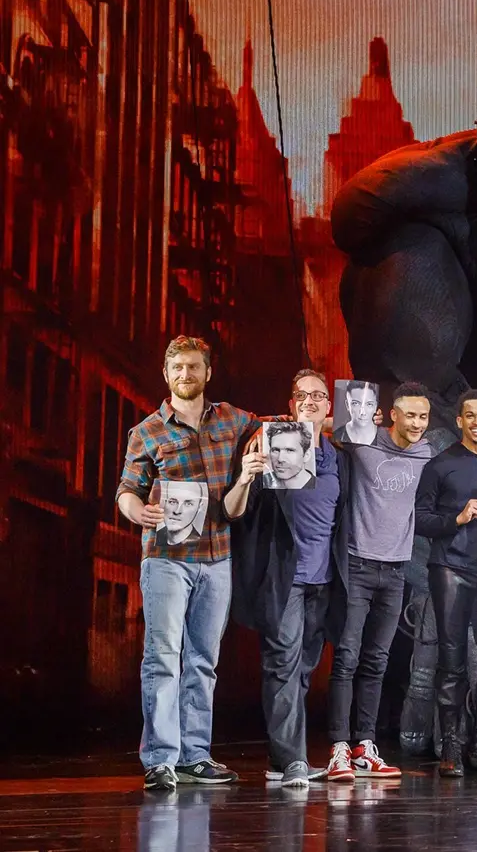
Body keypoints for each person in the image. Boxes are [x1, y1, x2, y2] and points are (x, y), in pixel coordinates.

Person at [117, 335, 260, 790]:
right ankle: (161, 759)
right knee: (163, 657)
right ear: (166, 374)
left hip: (217, 557)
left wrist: (344, 422)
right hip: (167, 559)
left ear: (207, 372)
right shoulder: (147, 432)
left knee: (203, 660)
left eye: (194, 366)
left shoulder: (232, 419)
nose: (186, 374)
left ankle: (195, 757)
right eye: (178, 367)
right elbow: (126, 491)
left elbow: (281, 426)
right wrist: (137, 511)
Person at [226, 370, 343, 789]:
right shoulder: (270, 446)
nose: (310, 401)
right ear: (291, 405)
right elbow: (238, 512)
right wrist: (249, 473)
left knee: (303, 670)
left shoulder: (338, 456)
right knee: (282, 667)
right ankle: (292, 760)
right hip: (284, 578)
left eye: (318, 395)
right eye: (301, 396)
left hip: (323, 579)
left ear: (329, 406)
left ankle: (282, 760)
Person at [324, 382, 437, 782]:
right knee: (347, 657)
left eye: (423, 416)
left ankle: (364, 745)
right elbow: (316, 426)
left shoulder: (427, 453)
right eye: (410, 415)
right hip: (357, 563)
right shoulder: (364, 440)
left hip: (396, 569)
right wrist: (351, 420)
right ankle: (338, 747)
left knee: (377, 661)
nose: (417, 423)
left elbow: (463, 455)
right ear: (393, 414)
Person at [414, 390, 477, 777]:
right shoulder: (440, 465)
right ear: (459, 421)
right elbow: (419, 519)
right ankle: (451, 748)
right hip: (451, 568)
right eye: (470, 416)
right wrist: (455, 519)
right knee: (452, 661)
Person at [155, 483, 208, 549]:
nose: (177, 511)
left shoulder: (204, 546)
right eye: (172, 502)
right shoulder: (156, 536)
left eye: (188, 504)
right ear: (164, 502)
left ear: (199, 507)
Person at [265, 422, 316, 490]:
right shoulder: (262, 482)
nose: (280, 459)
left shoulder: (322, 488)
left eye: (289, 450)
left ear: (306, 455)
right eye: (275, 450)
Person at [334, 381, 379, 445]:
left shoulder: (383, 437)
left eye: (369, 404)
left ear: (375, 406)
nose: (362, 412)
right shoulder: (337, 436)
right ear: (347, 405)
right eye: (356, 403)